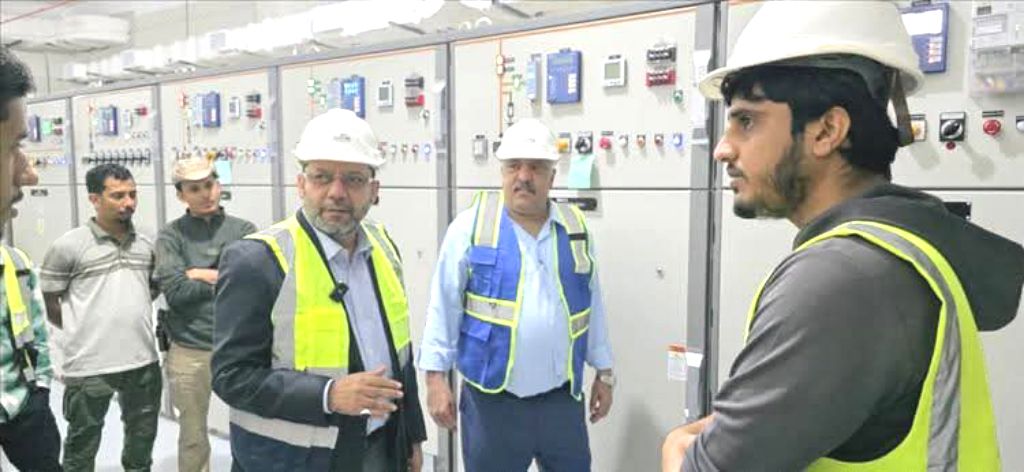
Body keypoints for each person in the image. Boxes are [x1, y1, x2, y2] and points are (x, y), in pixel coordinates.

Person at [661, 2, 1024, 471]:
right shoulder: (904, 250)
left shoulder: (840, 278)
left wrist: (676, 446)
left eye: (747, 121)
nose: (722, 149)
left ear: (827, 130)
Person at [212, 108, 426, 471]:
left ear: (374, 191)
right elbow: (231, 377)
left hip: (380, 447)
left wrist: (411, 436)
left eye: (353, 180)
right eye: (322, 177)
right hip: (293, 460)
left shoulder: (383, 247)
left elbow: (400, 356)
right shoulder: (258, 261)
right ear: (301, 185)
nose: (336, 193)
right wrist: (328, 395)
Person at [418, 118, 615, 471]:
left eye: (536, 167)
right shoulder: (471, 227)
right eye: (514, 166)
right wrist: (435, 379)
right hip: (493, 404)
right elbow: (443, 306)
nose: (524, 176)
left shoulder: (575, 228)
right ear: (502, 173)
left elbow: (592, 304)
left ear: (552, 176)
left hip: (561, 402)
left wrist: (605, 372)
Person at [41, 163, 162, 471]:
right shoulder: (69, 246)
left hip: (142, 362)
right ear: (94, 199)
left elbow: (149, 289)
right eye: (118, 195)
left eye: (133, 194)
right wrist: (80, 330)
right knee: (81, 448)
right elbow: (51, 299)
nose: (129, 202)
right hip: (90, 365)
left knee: (141, 447)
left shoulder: (147, 242)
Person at [154, 157, 256, 472]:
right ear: (181, 195)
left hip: (240, 347)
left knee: (253, 430)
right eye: (194, 189)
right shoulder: (171, 236)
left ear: (218, 185)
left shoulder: (244, 230)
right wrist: (224, 277)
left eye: (209, 185)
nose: (205, 194)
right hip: (190, 349)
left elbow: (251, 284)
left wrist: (198, 273)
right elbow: (176, 293)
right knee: (193, 436)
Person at [0, 45, 61, 471]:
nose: (29, 173)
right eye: (13, 147)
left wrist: (38, 387)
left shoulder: (13, 261)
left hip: (22, 399)